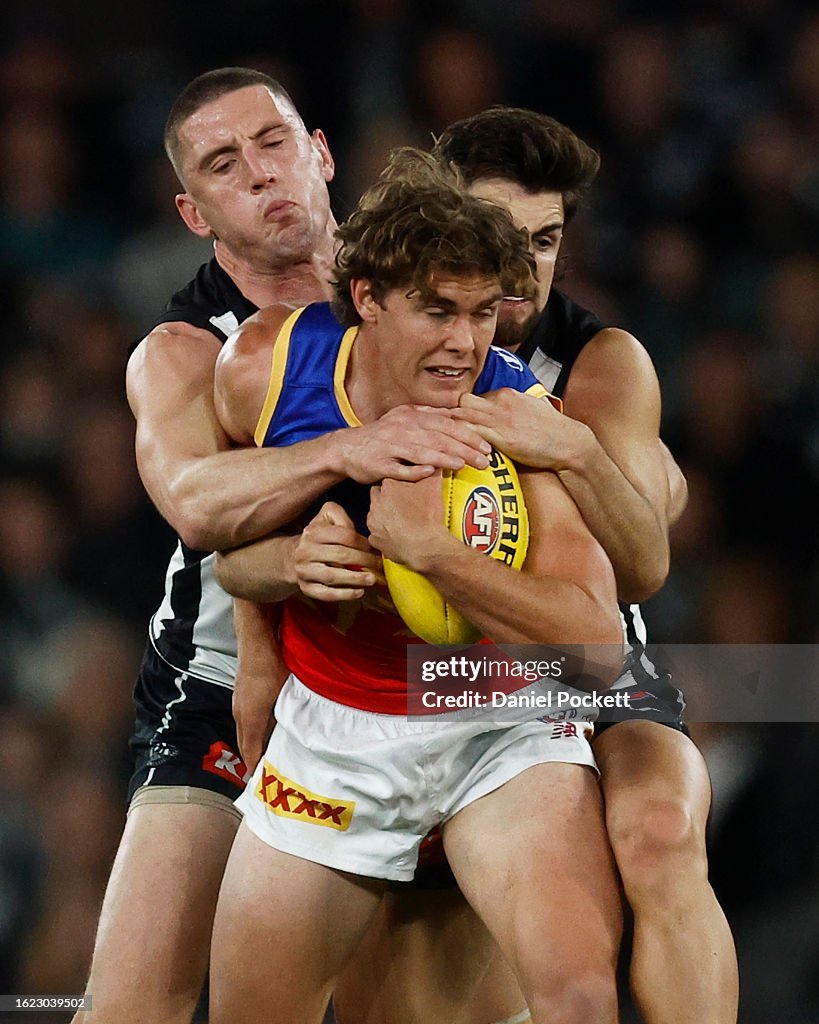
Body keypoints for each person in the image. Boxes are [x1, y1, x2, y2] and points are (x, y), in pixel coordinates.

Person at [77, 68, 493, 1024]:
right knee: (129, 1012)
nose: (261, 174)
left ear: (321, 153)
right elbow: (194, 502)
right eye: (225, 166)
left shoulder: (437, 293)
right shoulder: (181, 348)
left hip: (419, 682)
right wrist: (351, 446)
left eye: (273, 143)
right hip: (226, 685)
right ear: (195, 212)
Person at [208, 145, 625, 1024]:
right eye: (437, 310)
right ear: (367, 299)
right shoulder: (266, 371)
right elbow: (221, 539)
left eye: (482, 312)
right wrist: (282, 577)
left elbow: (594, 656)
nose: (464, 342)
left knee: (580, 1000)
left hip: (498, 720)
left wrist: (436, 556)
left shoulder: (519, 418)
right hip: (335, 730)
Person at [434, 108, 738, 1024]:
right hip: (436, 677)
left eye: (546, 239)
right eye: (497, 235)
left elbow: (642, 565)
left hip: (584, 659)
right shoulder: (381, 341)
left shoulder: (602, 360)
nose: (523, 266)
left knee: (660, 831)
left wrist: (566, 444)